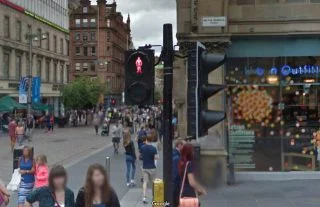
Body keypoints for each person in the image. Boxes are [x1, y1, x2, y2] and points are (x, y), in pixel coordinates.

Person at [140, 136, 158, 204]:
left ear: (147, 140)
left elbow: (141, 156)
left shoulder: (142, 147)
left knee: (145, 182)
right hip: (152, 167)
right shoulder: (153, 148)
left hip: (145, 167)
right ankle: (154, 196)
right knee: (153, 182)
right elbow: (156, 157)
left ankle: (144, 197)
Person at [172, 140, 184, 207]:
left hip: (175, 183)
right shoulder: (177, 157)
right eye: (183, 146)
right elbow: (176, 173)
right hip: (175, 184)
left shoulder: (175, 153)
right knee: (175, 200)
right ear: (179, 145)